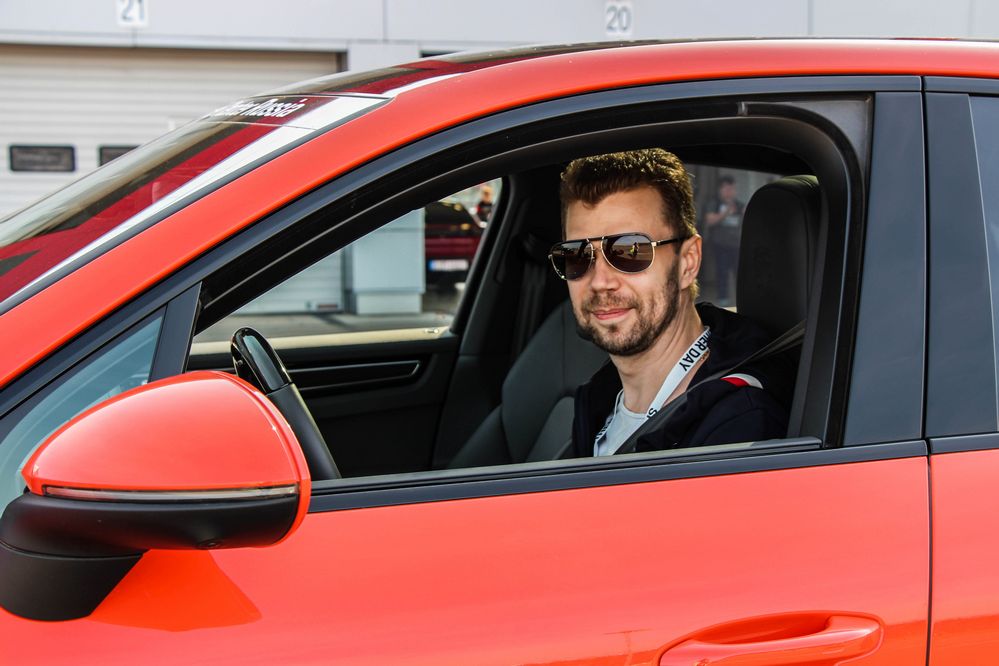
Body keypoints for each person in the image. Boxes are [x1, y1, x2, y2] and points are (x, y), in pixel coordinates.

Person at [550, 149, 793, 456]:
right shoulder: (599, 397)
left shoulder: (739, 426)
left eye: (630, 251)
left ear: (687, 262)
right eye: (576, 255)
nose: (600, 281)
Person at [702, 175, 745, 306]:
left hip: (736, 244)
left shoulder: (739, 204)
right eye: (727, 189)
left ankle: (742, 299)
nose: (730, 192)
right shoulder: (713, 203)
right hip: (719, 244)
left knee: (739, 272)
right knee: (722, 271)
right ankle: (723, 300)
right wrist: (726, 212)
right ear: (720, 189)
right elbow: (710, 221)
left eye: (732, 189)